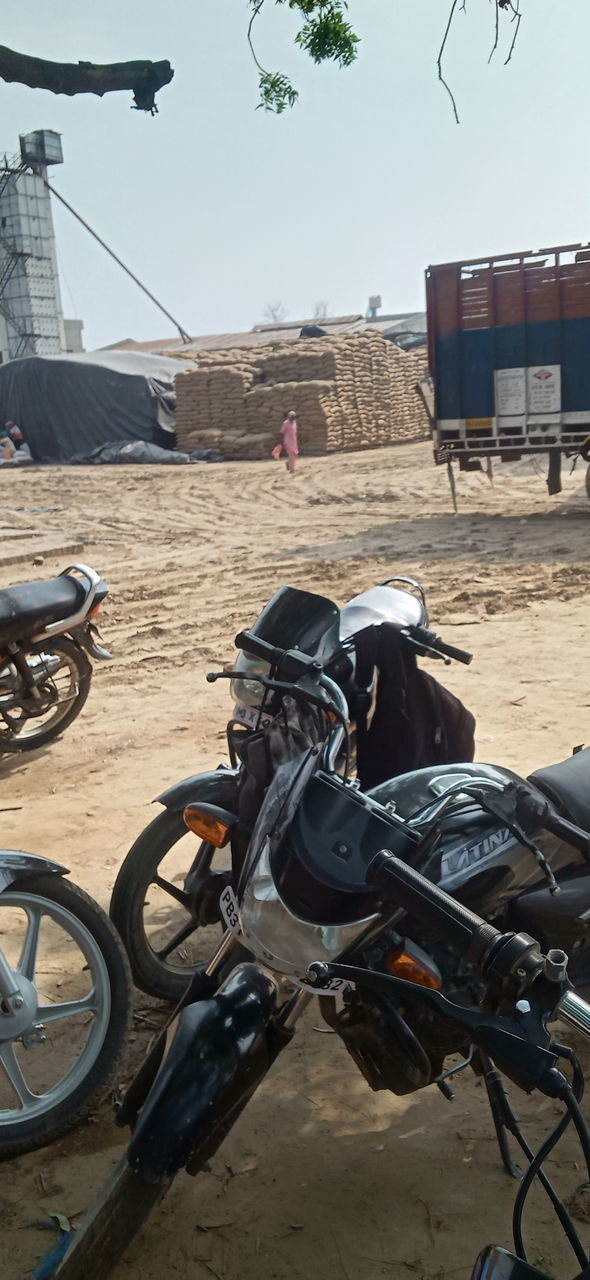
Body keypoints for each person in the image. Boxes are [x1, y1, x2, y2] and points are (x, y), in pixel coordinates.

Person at [279, 410, 299, 474]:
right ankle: (292, 469)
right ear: (289, 417)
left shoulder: (294, 422)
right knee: (291, 455)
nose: (292, 418)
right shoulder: (285, 423)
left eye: (294, 417)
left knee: (295, 454)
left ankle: (288, 463)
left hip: (294, 441)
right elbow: (282, 431)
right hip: (288, 441)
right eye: (291, 417)